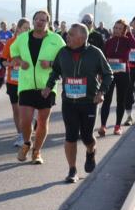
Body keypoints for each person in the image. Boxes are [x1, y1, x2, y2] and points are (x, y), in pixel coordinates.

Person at [44, 23, 111, 182]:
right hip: (69, 102)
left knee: (87, 136)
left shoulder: (95, 53)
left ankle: (90, 151)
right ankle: (72, 170)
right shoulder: (63, 52)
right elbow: (56, 71)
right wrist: (48, 86)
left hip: (88, 101)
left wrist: (101, 92)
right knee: (71, 135)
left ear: (82, 37)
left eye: (71, 35)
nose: (67, 36)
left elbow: (108, 74)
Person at [9, 9, 66, 164]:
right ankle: (27, 143)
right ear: (33, 21)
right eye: (37, 19)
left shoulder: (56, 39)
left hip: (47, 86)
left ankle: (37, 151)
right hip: (26, 84)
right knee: (25, 120)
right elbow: (12, 53)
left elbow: (65, 61)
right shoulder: (22, 38)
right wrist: (20, 62)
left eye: (43, 20)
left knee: (42, 121)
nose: (40, 22)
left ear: (48, 22)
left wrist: (51, 64)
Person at [99, 19, 135, 136]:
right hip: (109, 74)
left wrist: (130, 34)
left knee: (120, 101)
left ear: (124, 30)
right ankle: (103, 126)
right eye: (115, 28)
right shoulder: (109, 41)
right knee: (106, 100)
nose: (116, 30)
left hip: (123, 73)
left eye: (120, 28)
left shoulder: (127, 41)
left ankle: (117, 126)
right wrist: (101, 73)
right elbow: (103, 57)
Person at [1, 18, 31, 147]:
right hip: (13, 81)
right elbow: (1, 61)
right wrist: (10, 63)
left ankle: (28, 130)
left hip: (28, 81)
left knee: (28, 110)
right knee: (16, 110)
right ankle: (20, 135)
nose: (27, 30)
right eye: (25, 27)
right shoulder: (10, 42)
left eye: (29, 28)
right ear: (18, 29)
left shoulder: (32, 42)